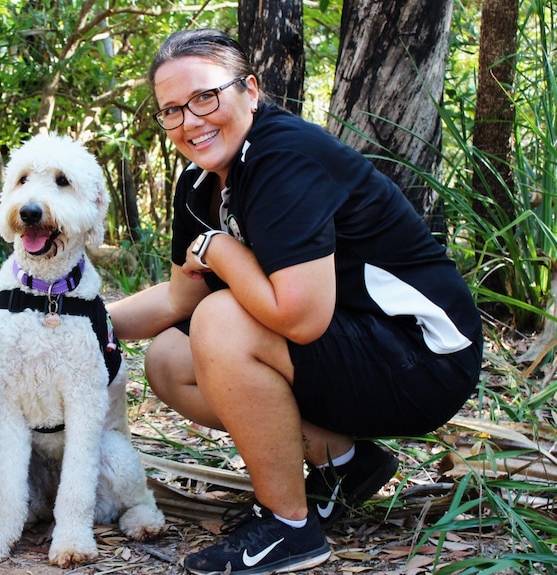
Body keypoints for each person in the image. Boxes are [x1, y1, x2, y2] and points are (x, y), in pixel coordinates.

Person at [107, 28, 483, 575]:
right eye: (171, 110)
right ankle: (346, 464)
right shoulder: (199, 181)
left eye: (205, 97)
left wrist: (219, 248)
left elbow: (299, 320)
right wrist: (78, 318)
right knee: (169, 359)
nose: (190, 121)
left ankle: (288, 527)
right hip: (355, 347)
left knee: (222, 320)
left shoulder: (285, 158)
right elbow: (177, 296)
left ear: (251, 91)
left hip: (423, 359)